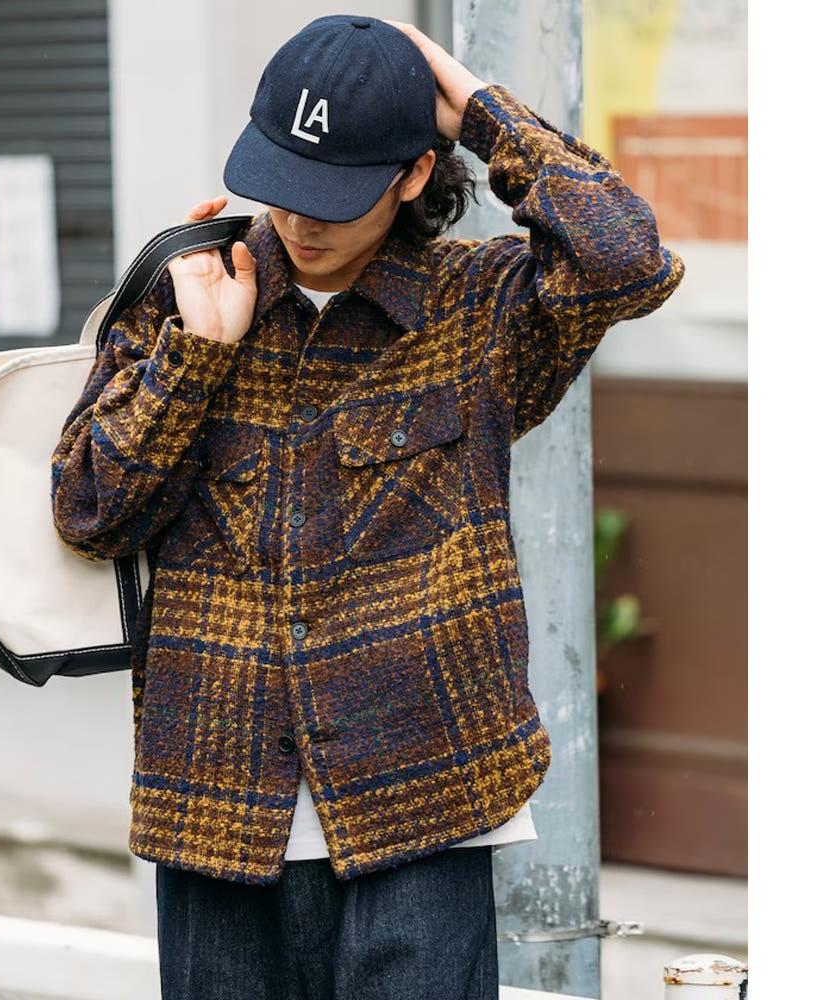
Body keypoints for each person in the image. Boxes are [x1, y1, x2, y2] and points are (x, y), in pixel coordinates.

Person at [51, 14, 684, 999]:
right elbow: (91, 511)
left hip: (425, 807)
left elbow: (626, 260)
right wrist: (197, 358)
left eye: (333, 196)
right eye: (282, 184)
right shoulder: (188, 291)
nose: (299, 221)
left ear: (413, 174)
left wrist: (478, 109)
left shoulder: (478, 311)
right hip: (215, 808)